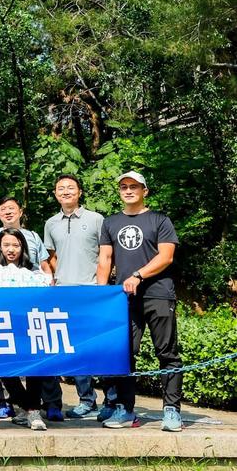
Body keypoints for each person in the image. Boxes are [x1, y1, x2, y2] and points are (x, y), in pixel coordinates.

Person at [97, 171, 183, 432]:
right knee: (123, 353)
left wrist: (138, 274)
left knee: (167, 353)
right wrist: (102, 295)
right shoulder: (111, 222)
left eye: (134, 186)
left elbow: (166, 257)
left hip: (158, 293)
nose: (128, 190)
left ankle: (171, 410)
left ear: (145, 190)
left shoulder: (159, 219)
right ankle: (125, 409)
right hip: (124, 298)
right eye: (123, 186)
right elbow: (105, 260)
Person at [42, 172, 106, 419]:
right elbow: (52, 256)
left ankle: (96, 400)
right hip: (62, 292)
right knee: (66, 346)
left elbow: (105, 254)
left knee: (88, 347)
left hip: (90, 290)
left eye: (71, 187)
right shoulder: (51, 223)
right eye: (61, 188)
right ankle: (78, 400)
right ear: (56, 194)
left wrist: (100, 286)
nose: (66, 191)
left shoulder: (96, 219)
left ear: (79, 192)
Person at [0, 229, 53, 431]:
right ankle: (30, 409)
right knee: (4, 369)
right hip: (3, 331)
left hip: (29, 329)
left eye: (16, 245)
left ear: (23, 248)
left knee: (36, 368)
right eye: (6, 245)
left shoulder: (35, 275)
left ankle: (31, 410)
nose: (11, 250)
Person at [0, 197, 52, 273]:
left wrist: (50, 283)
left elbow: (44, 265)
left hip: (29, 283)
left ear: (21, 212)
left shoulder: (33, 236)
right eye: (3, 209)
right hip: (0, 283)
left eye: (11, 208)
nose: (7, 212)